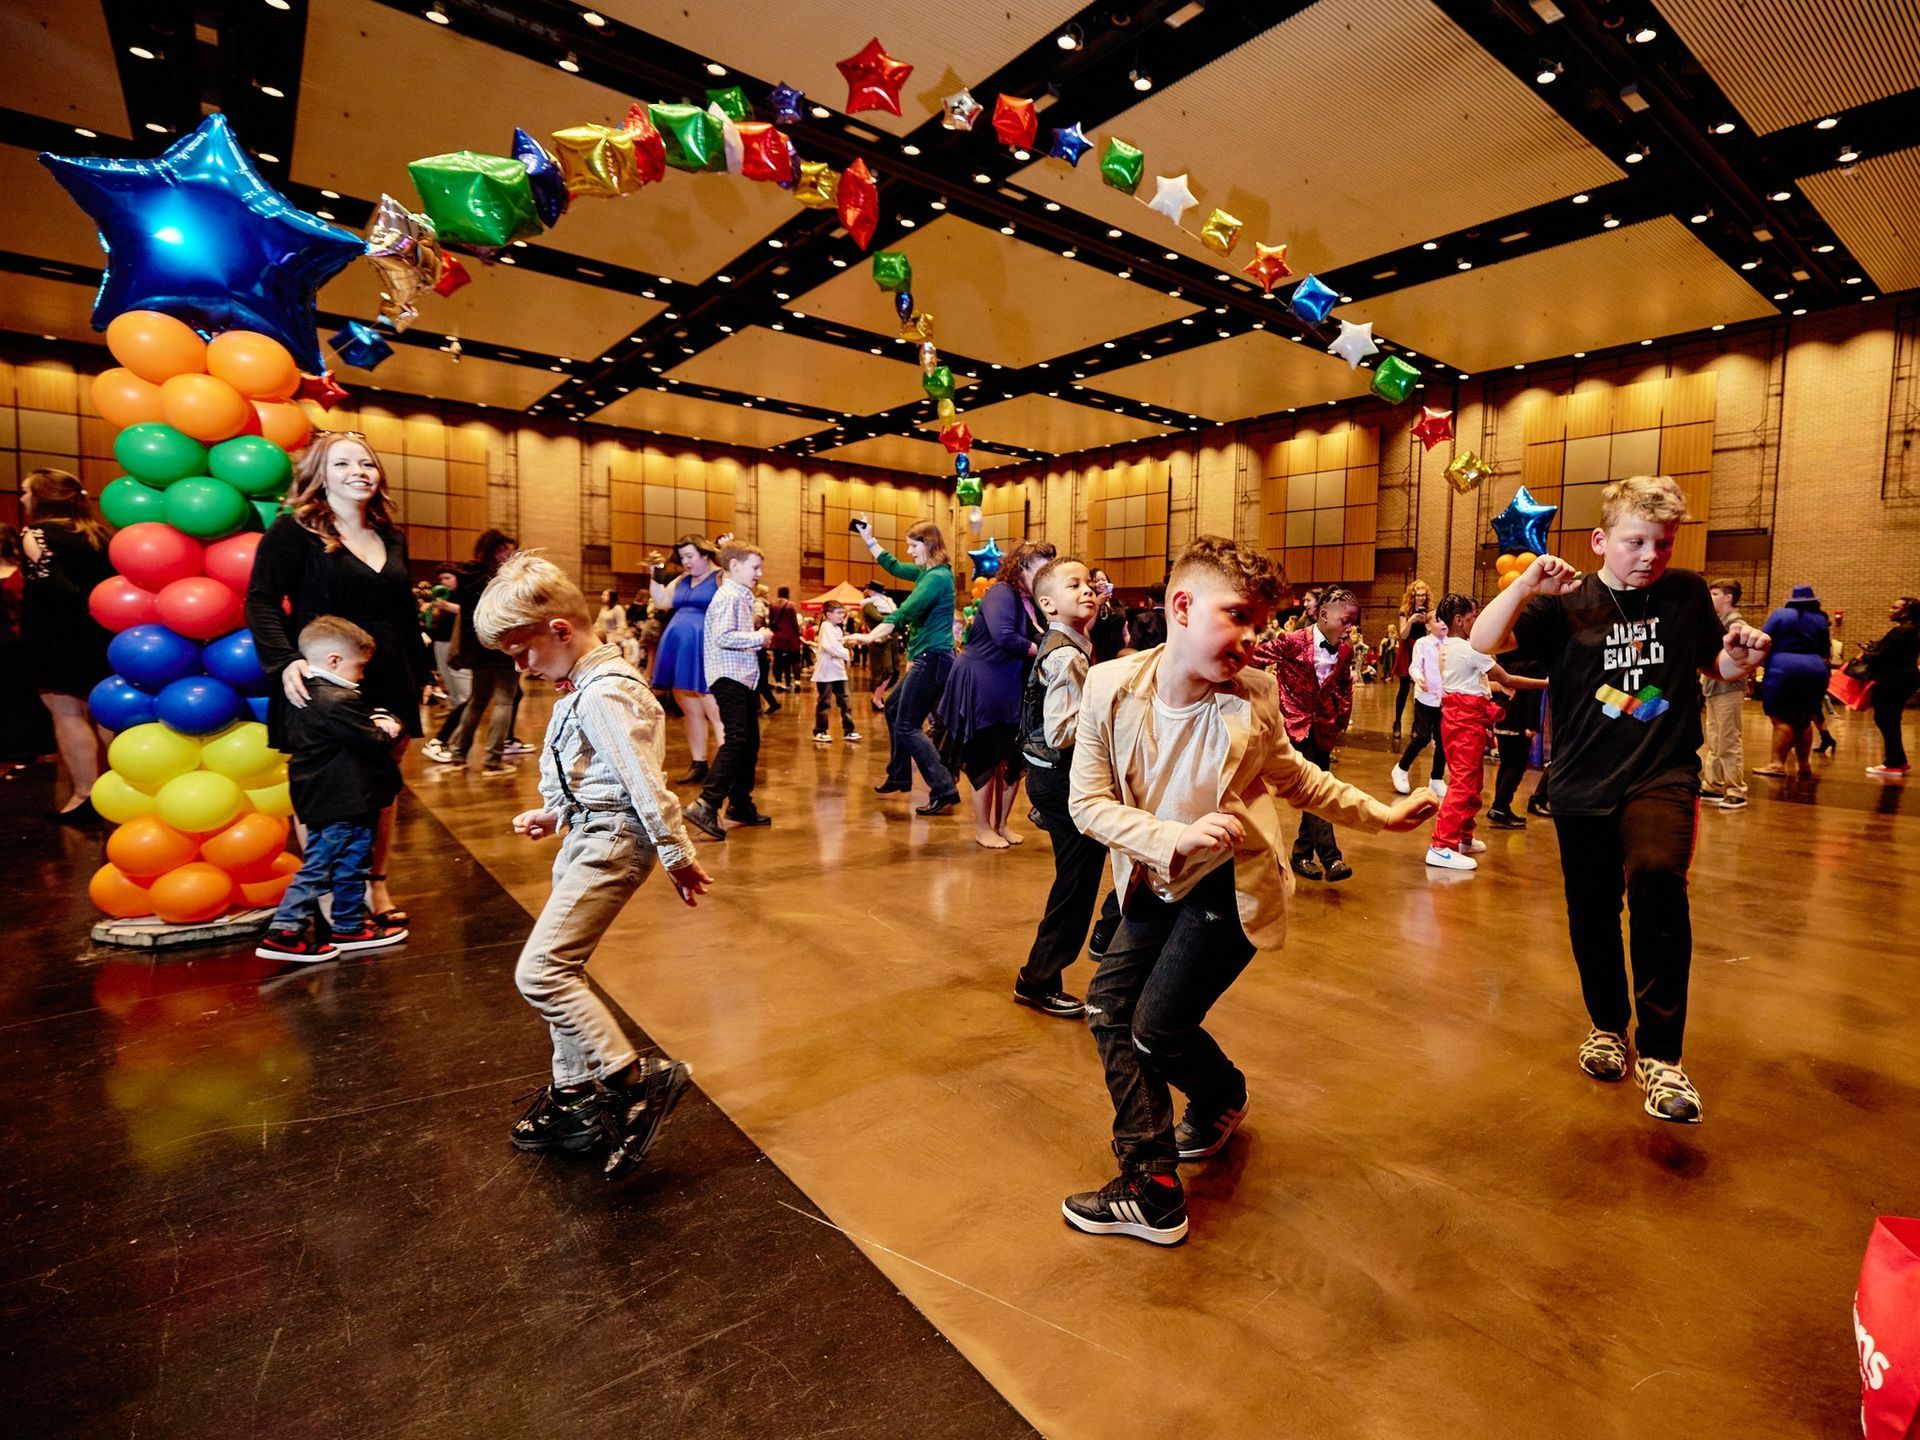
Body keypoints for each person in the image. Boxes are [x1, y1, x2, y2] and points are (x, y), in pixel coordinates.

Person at [1063, 536, 1435, 1245]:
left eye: (1261, 623)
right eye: (1238, 616)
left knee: (1154, 1027)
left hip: (1229, 892)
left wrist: (1381, 816)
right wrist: (1173, 836)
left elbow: (1296, 778)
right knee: (1111, 1007)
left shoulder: (1254, 695)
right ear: (1181, 605)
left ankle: (1153, 1185)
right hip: (1154, 877)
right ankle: (1213, 1108)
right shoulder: (1109, 686)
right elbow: (1087, 804)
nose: (1251, 639)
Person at [1470, 475, 1769, 1124]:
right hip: (1581, 783)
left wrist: (1741, 661)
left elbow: (1713, 667)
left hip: (1661, 773)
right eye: (1636, 542)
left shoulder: (1686, 592)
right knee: (1592, 913)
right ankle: (1608, 1026)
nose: (1649, 557)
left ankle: (1662, 1058)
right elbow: (1481, 642)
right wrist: (1525, 585)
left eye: (1662, 545)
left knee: (1658, 879)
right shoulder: (1568, 599)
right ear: (1601, 540)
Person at [475, 551, 711, 1180]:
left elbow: (642, 781)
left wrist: (677, 854)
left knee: (542, 972)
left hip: (611, 844)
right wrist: (555, 814)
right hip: (586, 834)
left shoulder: (607, 692)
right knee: (562, 967)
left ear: (558, 630)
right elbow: (601, 775)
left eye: (521, 650)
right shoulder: (584, 686)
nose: (519, 666)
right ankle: (574, 1097)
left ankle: (632, 1081)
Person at [247, 434, 427, 928]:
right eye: (342, 462)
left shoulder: (391, 535)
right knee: (324, 783)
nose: (358, 471)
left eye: (367, 462)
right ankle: (324, 890)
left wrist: (422, 673)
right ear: (319, 474)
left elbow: (404, 610)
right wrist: (284, 661)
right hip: (321, 674)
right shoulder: (293, 530)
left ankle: (374, 883)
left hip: (388, 669)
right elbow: (261, 600)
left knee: (383, 782)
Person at [254, 617, 409, 962]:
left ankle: (349, 925)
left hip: (342, 797)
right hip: (340, 798)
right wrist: (390, 725)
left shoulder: (307, 695)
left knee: (352, 861)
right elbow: (372, 741)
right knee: (321, 865)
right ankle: (284, 930)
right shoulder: (336, 700)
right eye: (361, 667)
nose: (363, 675)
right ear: (334, 661)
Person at [1015, 556, 1104, 1018]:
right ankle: (1039, 977)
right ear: (1048, 604)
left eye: (1089, 582)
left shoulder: (1073, 641)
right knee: (1075, 884)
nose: (1087, 590)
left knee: (1086, 872)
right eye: (1075, 585)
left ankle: (1106, 930)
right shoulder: (1066, 654)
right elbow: (1060, 731)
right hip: (1061, 780)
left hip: (1058, 779)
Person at [939, 540, 1055, 849]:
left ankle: (1002, 824)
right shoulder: (1002, 593)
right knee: (986, 757)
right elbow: (1005, 637)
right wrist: (1044, 650)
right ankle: (982, 827)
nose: (1048, 574)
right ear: (1021, 567)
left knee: (1012, 758)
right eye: (1042, 567)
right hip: (983, 683)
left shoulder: (1033, 600)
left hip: (1010, 686)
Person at [1422, 594, 1547, 872]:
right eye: (1473, 617)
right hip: (1464, 720)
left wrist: (1501, 689)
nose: (1477, 622)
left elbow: (1476, 682)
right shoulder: (1469, 649)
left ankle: (1463, 836)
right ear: (1458, 620)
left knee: (1473, 781)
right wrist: (1548, 683)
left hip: (1464, 717)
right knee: (1463, 783)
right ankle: (1441, 845)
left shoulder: (1452, 647)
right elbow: (1506, 677)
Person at [17, 469, 114, 823]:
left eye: (26, 492)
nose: (22, 498)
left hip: (56, 634)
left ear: (42, 497)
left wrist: (82, 609)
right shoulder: (100, 533)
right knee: (104, 710)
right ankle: (118, 789)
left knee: (67, 712)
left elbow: (50, 586)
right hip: (103, 631)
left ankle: (85, 794)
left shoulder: (36, 533)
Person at [852, 517, 960, 816]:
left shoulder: (937, 577)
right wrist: (868, 539)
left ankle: (943, 788)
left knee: (907, 724)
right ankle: (899, 776)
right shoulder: (929, 572)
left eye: (913, 546)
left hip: (933, 658)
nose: (909, 552)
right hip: (932, 657)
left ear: (928, 545)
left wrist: (870, 635)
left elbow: (906, 611)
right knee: (892, 709)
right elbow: (894, 567)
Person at [683, 542, 773, 841]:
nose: (759, 574)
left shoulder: (739, 596)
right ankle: (707, 803)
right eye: (754, 567)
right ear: (734, 565)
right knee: (738, 740)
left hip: (741, 676)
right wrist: (758, 637)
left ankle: (740, 804)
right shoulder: (729, 596)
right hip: (730, 676)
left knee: (749, 742)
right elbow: (723, 636)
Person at [1269, 586, 1360, 882]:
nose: (1351, 627)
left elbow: (1344, 685)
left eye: (1353, 621)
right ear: (1323, 615)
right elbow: (1254, 660)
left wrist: (1339, 719)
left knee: (1315, 790)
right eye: (1345, 620)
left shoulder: (1345, 651)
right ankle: (1332, 858)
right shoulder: (1293, 641)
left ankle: (1302, 853)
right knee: (1316, 790)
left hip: (1323, 730)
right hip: (1295, 728)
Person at [437, 530, 520, 777]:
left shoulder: (467, 576)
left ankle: (458, 753)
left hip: (478, 648)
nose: (510, 555)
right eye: (506, 550)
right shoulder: (501, 578)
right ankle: (493, 760)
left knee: (478, 700)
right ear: (496, 551)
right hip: (503, 645)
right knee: (505, 700)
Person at [649, 535, 725, 786]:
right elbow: (661, 601)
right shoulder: (682, 580)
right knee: (689, 707)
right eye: (682, 558)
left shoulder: (720, 577)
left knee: (715, 708)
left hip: (707, 647)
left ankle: (727, 767)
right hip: (679, 646)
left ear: (705, 554)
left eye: (690, 556)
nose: (686, 562)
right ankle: (699, 763)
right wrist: (656, 575)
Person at [1754, 583, 1830, 778]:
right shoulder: (1821, 619)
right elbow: (1825, 649)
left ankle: (1777, 764)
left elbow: (1763, 640)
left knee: (1781, 718)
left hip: (1784, 667)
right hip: (1816, 667)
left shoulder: (1780, 615)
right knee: (1804, 719)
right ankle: (1804, 765)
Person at [0, 522, 53, 771]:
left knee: (20, 696)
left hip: (17, 642)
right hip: (11, 640)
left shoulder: (21, 572)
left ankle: (26, 749)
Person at [1699, 578, 1750, 809]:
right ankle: (1713, 784)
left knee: (1728, 738)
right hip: (1712, 687)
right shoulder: (1717, 622)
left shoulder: (1736, 625)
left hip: (1728, 689)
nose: (1711, 598)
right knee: (1715, 738)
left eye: (1715, 594)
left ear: (1728, 598)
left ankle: (1735, 789)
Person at [1487, 645, 1547, 828]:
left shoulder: (1503, 657)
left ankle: (1500, 806)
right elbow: (1532, 692)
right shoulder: (1532, 662)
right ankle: (1500, 806)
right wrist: (1531, 724)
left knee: (1506, 764)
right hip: (1518, 718)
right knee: (1516, 765)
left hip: (1501, 714)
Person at [1390, 614, 1448, 799]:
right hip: (1425, 698)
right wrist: (1419, 678)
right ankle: (1401, 768)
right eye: (1438, 621)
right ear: (1429, 627)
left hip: (1445, 699)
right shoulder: (1422, 643)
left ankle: (1437, 778)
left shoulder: (1452, 644)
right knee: (1422, 737)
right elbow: (1414, 667)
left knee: (1443, 740)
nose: (1443, 624)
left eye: (1445, 620)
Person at [1863, 596, 1920, 777]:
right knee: (1891, 720)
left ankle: (1893, 763)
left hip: (1894, 680)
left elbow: (1883, 657)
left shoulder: (1902, 632)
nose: (1890, 610)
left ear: (1906, 612)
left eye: (1895, 608)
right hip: (1905, 678)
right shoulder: (1912, 630)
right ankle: (1899, 760)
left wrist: (1866, 655)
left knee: (1886, 719)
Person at [810, 600, 859, 744]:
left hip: (838, 671)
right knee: (825, 702)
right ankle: (820, 730)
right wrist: (845, 654)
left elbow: (836, 645)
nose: (842, 615)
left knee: (845, 701)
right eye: (838, 613)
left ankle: (849, 730)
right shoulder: (826, 626)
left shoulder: (837, 628)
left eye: (843, 613)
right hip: (825, 672)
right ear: (828, 614)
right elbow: (828, 645)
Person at [1391, 579, 1435, 742]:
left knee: (1422, 687)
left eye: (1424, 595)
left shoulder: (1429, 611)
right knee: (1403, 689)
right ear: (1413, 595)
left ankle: (1417, 725)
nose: (1421, 598)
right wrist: (1411, 620)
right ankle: (1397, 723)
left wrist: (1426, 623)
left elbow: (1431, 634)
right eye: (1418, 595)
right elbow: (1402, 634)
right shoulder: (1405, 610)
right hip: (1407, 648)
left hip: (1423, 649)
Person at [860, 580, 901, 711]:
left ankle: (877, 696)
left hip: (889, 638)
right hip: (880, 641)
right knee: (885, 670)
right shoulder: (869, 604)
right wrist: (895, 617)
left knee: (892, 670)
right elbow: (878, 618)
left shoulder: (883, 601)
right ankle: (876, 698)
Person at [1089, 568, 1129, 663]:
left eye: (1103, 579)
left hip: (1119, 651)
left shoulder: (1116, 603)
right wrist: (1097, 604)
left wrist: (1128, 648)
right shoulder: (1089, 602)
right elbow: (1087, 628)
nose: (1101, 582)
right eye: (1096, 581)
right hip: (1100, 651)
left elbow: (1125, 633)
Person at [767, 586, 803, 690]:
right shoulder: (791, 606)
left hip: (778, 637)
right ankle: (796, 682)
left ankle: (778, 682)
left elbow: (770, 621)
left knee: (778, 660)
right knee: (794, 660)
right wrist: (797, 635)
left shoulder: (772, 605)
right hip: (790, 637)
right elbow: (794, 623)